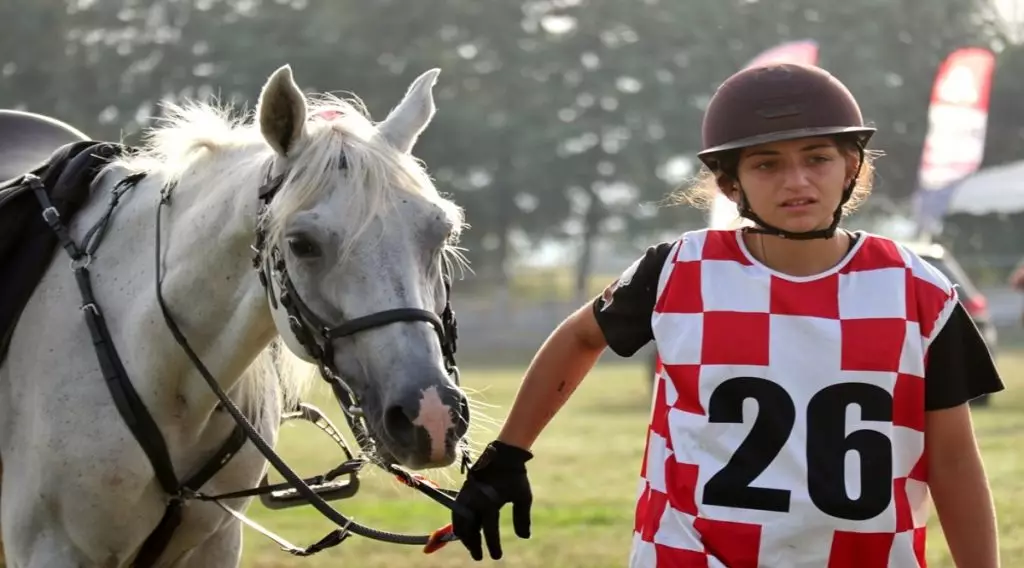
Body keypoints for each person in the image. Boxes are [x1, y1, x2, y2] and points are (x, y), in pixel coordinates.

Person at [449, 63, 1004, 567]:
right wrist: (508, 454)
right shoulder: (675, 272)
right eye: (767, 164)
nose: (797, 181)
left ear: (851, 167)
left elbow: (953, 462)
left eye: (817, 157)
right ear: (728, 183)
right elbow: (578, 338)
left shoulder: (919, 291)